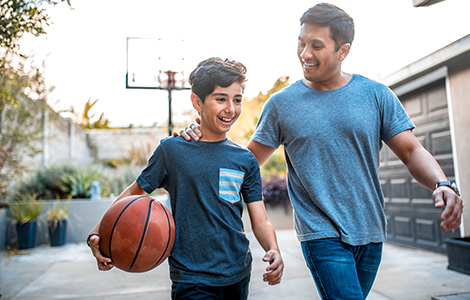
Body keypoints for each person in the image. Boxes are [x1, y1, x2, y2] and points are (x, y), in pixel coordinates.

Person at [178, 3, 464, 300]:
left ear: (343, 51)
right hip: (321, 234)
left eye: (316, 45)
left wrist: (442, 183)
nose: (305, 54)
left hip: (371, 231)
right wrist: (199, 139)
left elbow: (411, 151)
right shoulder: (281, 105)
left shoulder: (376, 95)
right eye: (301, 43)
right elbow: (244, 162)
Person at [87, 57, 284, 300]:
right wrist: (98, 234)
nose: (230, 109)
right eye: (220, 98)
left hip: (238, 273)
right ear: (197, 101)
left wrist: (273, 249)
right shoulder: (172, 151)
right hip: (191, 277)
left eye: (237, 100)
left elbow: (260, 219)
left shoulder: (245, 159)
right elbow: (133, 192)